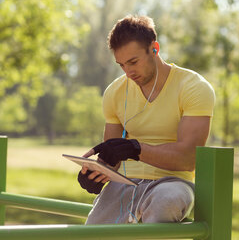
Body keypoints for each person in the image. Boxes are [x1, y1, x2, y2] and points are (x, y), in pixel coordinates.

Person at [77, 15, 215, 224]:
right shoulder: (114, 92)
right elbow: (111, 157)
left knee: (166, 203)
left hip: (172, 182)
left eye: (133, 62)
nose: (128, 72)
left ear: (155, 48)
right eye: (121, 64)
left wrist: (136, 149)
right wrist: (96, 175)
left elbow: (188, 159)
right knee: (92, 232)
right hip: (125, 182)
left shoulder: (193, 87)